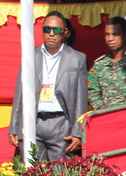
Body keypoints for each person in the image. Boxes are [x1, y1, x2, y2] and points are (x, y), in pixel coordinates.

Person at [8, 11, 88, 161]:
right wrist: (14, 126)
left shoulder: (78, 58)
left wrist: (78, 132)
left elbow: (81, 99)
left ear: (65, 32)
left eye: (56, 30)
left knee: (60, 173)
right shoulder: (30, 55)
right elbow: (20, 92)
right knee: (33, 171)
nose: (51, 34)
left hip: (62, 123)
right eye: (47, 29)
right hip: (33, 122)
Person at [87, 16, 126, 110]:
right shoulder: (99, 64)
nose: (110, 39)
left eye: (115, 34)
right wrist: (103, 110)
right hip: (106, 115)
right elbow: (92, 92)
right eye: (107, 34)